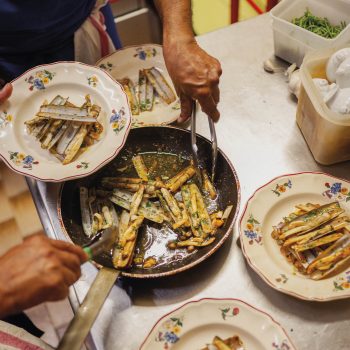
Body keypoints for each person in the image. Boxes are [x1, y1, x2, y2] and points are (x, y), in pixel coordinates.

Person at [0, 0, 221, 326]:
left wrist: (178, 36)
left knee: (117, 145)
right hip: (11, 77)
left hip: (89, 51)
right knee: (62, 186)